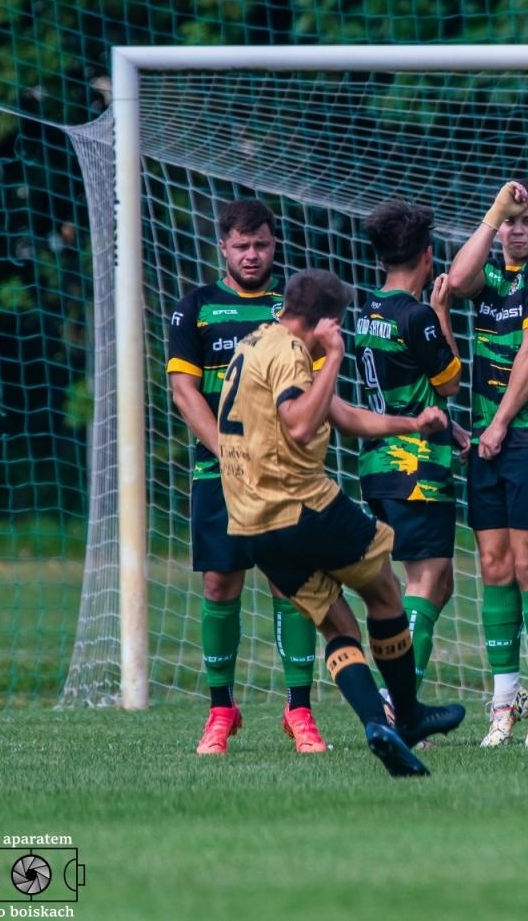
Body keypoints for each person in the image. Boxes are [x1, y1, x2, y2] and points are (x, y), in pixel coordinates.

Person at [217, 268, 466, 776]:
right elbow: (304, 424)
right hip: (302, 507)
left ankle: (378, 725)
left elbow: (338, 412)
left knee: (339, 625)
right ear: (328, 321)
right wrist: (333, 356)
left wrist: (411, 423)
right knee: (387, 592)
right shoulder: (291, 351)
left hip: (252, 525)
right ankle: (411, 716)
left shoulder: (253, 344)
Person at [165, 198, 325, 755]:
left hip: (286, 476)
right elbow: (185, 390)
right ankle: (220, 709)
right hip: (219, 474)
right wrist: (230, 451)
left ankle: (299, 710)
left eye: (260, 244)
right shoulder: (196, 309)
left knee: (291, 584)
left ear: (273, 244)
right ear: (223, 249)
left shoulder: (293, 310)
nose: (251, 255)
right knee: (219, 585)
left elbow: (316, 390)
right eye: (241, 246)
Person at [446, 180, 528, 748]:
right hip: (488, 444)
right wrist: (493, 210)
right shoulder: (491, 278)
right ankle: (504, 702)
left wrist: (498, 424)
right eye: (510, 222)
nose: (518, 230)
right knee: (494, 568)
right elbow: (454, 281)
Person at [352, 199, 471, 714]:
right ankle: (397, 699)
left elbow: (407, 388)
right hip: (416, 469)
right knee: (426, 581)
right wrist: (442, 312)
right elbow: (448, 381)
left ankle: (401, 689)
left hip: (380, 466)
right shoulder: (418, 315)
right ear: (427, 256)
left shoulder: (367, 312)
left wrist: (452, 426)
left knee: (436, 583)